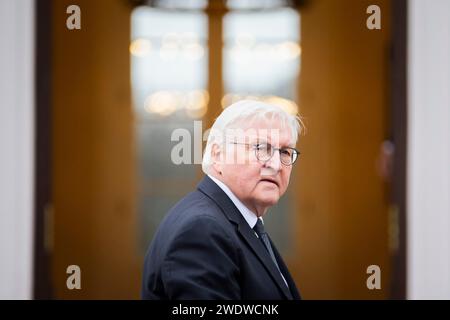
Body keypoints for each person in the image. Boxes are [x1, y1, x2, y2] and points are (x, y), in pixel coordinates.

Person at [141, 99, 303, 300]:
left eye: (285, 151)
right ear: (218, 155)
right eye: (262, 148)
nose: (277, 164)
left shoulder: (235, 221)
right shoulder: (202, 230)